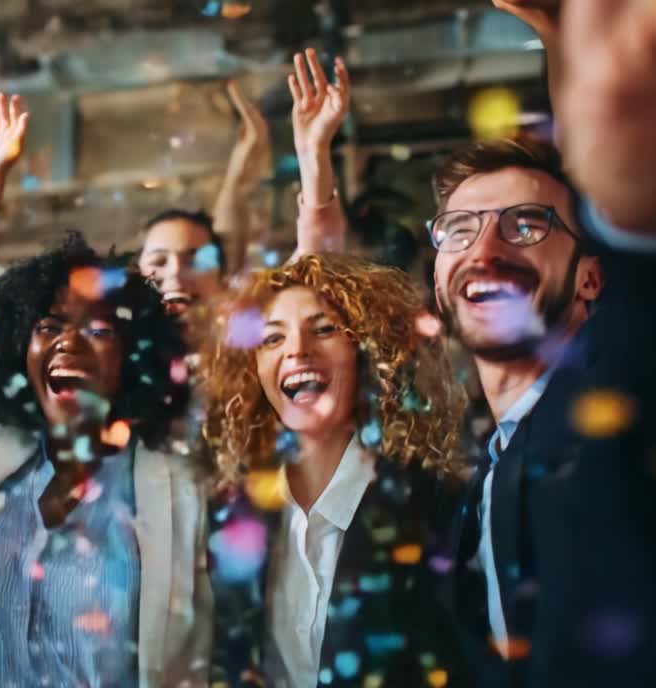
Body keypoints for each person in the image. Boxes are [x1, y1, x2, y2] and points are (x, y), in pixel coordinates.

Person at [433, 0, 656, 685]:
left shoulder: (621, 410)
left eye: (527, 223)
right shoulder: (476, 469)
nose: (486, 250)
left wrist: (644, 197)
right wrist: (551, 24)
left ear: (595, 276)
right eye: (459, 228)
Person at [0, 232, 210, 687]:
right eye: (48, 326)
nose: (68, 341)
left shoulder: (181, 492)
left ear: (134, 358)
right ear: (17, 348)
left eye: (99, 329)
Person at [200, 253, 469, 687]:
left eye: (324, 329)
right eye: (272, 339)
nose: (297, 350)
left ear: (369, 353)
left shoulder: (435, 510)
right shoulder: (232, 517)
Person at [138, 49, 351, 323]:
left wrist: (313, 151)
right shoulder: (111, 345)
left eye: (195, 259)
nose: (176, 273)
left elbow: (317, 254)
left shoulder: (250, 334)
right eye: (158, 262)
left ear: (222, 276)